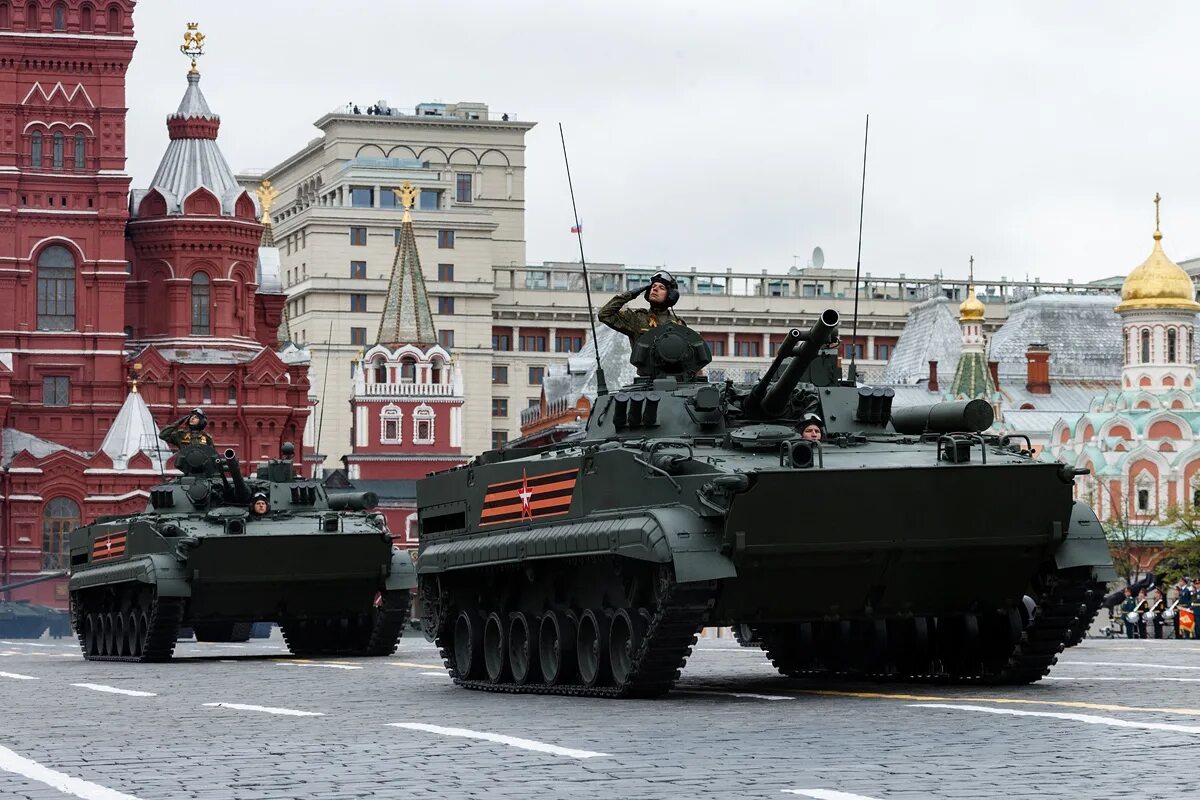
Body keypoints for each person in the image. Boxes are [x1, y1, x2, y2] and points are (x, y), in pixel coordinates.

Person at [598, 270, 686, 349]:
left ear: (671, 296)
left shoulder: (678, 323)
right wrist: (632, 294)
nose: (655, 289)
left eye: (661, 288)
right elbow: (604, 314)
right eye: (653, 286)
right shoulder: (637, 318)